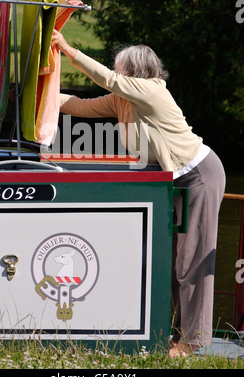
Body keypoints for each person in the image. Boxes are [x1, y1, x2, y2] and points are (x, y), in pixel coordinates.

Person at [51, 29, 226, 357]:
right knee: (170, 258)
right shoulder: (123, 98)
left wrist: (69, 50)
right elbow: (82, 106)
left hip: (199, 176)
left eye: (120, 68)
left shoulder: (150, 91)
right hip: (174, 180)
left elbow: (107, 80)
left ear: (135, 72)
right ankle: (171, 333)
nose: (116, 73)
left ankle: (192, 342)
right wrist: (45, 99)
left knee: (190, 260)